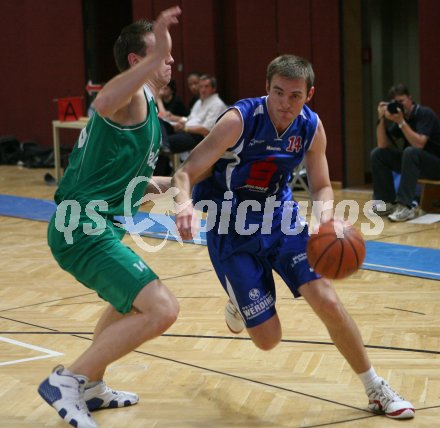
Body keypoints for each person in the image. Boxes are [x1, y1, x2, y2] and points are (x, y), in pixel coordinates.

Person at [172, 55, 415, 420]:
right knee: (269, 340)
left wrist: (324, 224)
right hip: (230, 228)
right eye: (277, 92)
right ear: (266, 88)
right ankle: (239, 301)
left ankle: (374, 386)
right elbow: (186, 172)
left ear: (309, 94)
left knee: (327, 300)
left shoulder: (312, 128)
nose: (285, 103)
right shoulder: (238, 121)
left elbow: (320, 186)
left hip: (280, 221)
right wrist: (182, 206)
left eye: (295, 95)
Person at [37, 7, 181, 428]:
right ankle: (67, 380)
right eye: (160, 54)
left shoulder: (148, 109)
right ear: (138, 62)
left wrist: (180, 185)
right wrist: (155, 59)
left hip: (95, 225)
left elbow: (132, 184)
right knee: (162, 309)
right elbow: (101, 100)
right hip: (81, 227)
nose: (170, 59)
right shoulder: (130, 97)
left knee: (128, 304)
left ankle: (93, 386)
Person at [371, 84, 440, 221]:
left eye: (401, 101)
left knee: (410, 151)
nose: (399, 105)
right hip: (414, 164)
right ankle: (387, 203)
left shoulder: (424, 114)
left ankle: (406, 206)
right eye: (395, 102)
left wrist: (401, 122)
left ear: (410, 99)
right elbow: (382, 144)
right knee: (378, 154)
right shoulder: (400, 118)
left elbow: (419, 144)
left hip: (435, 164)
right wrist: (381, 119)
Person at [166, 74, 227, 154]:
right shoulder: (199, 102)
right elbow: (190, 119)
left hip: (201, 137)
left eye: (206, 86)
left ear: (213, 89)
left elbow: (206, 130)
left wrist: (184, 128)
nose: (203, 90)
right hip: (188, 131)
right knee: (162, 134)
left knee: (165, 143)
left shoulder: (217, 104)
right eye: (201, 87)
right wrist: (177, 119)